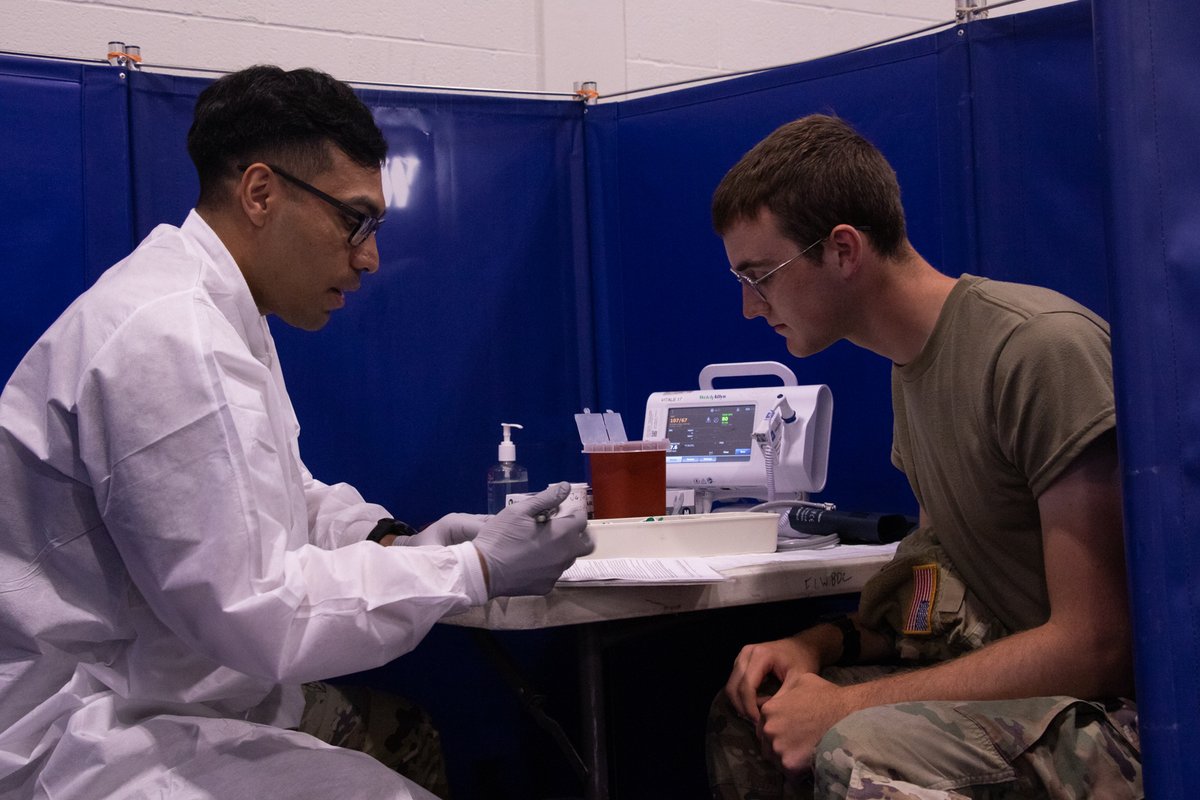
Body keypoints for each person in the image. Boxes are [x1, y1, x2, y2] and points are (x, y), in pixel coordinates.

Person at [0, 65, 593, 800]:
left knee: (401, 743)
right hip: (83, 732)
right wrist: (470, 572)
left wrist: (393, 542)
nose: (369, 257)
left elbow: (273, 496)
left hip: (170, 695)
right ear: (260, 193)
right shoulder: (169, 334)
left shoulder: (216, 308)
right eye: (356, 220)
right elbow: (259, 612)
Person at [706, 114, 1141, 798]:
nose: (750, 308)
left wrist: (846, 706)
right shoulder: (912, 372)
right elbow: (933, 602)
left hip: (1125, 718)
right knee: (751, 716)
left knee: (857, 748)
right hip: (1039, 694)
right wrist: (815, 648)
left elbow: (1098, 644)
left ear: (843, 250)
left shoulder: (1038, 350)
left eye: (761, 277)